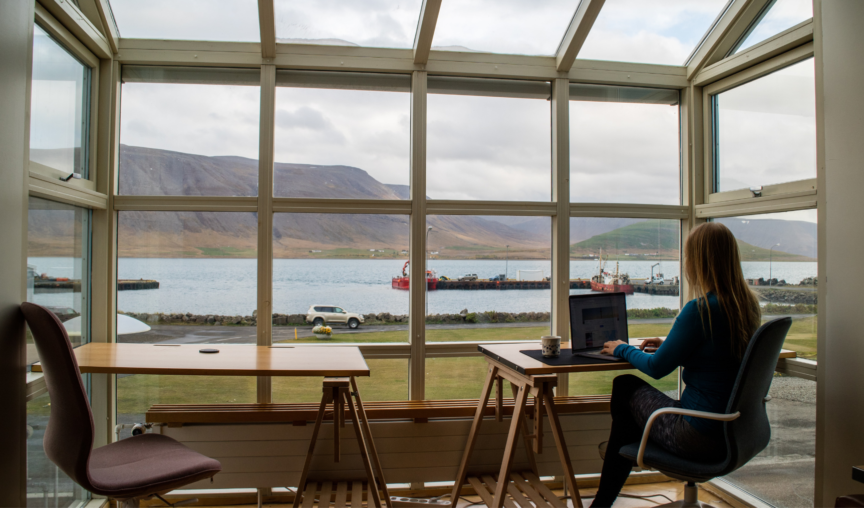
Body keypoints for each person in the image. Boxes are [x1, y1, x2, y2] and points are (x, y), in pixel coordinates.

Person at [589, 222, 762, 507]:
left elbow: (656, 369)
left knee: (625, 386)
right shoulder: (747, 306)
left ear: (698, 262)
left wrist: (621, 349)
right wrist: (672, 344)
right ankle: (621, 457)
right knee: (628, 418)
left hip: (696, 435)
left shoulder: (700, 310)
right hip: (737, 432)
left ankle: (609, 486)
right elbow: (716, 353)